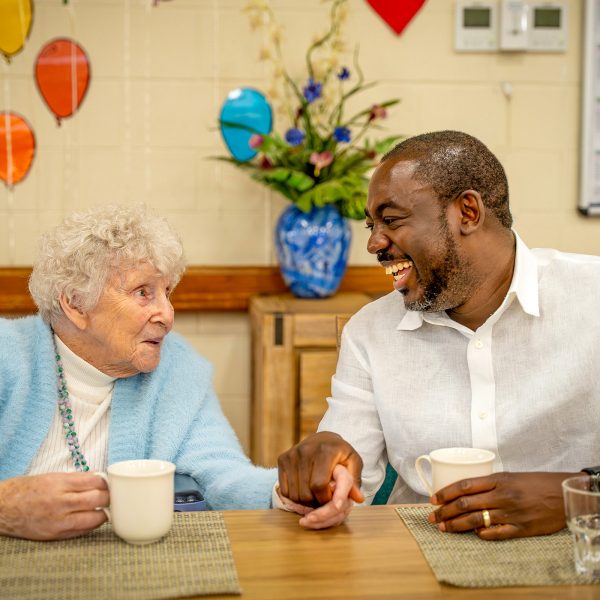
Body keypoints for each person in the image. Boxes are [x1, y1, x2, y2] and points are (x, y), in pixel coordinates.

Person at [278, 130, 600, 540]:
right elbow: (346, 465)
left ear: (467, 211)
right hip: (419, 563)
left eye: (391, 220)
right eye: (371, 224)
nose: (374, 242)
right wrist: (321, 470)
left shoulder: (593, 299)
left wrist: (584, 494)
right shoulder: (371, 332)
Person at [0, 204, 350, 540]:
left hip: (133, 569)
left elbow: (221, 474)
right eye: (143, 293)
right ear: (75, 303)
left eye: (166, 293)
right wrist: (6, 509)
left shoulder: (177, 367)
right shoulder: (8, 356)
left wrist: (294, 491)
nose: (167, 316)